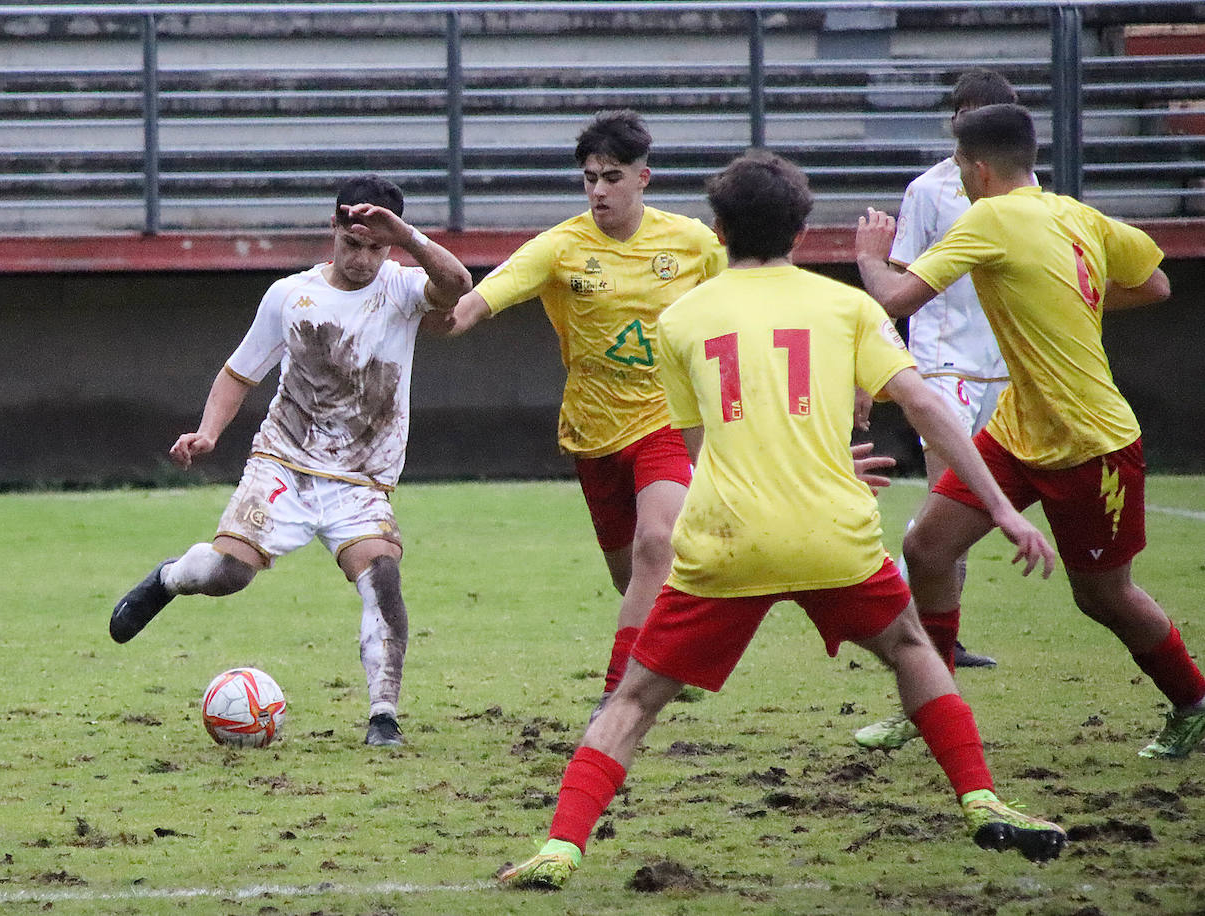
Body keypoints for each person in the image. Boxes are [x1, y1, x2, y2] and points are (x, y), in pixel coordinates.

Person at [498, 151, 1066, 891]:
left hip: (727, 541)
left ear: (720, 228)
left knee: (634, 700)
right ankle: (982, 797)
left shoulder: (681, 318)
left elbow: (703, 447)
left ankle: (561, 848)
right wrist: (998, 507)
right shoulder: (848, 307)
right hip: (832, 531)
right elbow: (925, 406)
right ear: (802, 231)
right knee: (910, 647)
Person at [436, 109, 892, 715]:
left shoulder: (693, 242)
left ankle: (616, 694)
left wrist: (861, 370)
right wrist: (446, 312)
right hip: (592, 432)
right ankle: (666, 661)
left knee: (659, 544)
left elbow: (783, 294)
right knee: (636, 580)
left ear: (643, 178)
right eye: (590, 178)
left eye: (613, 177)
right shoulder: (560, 247)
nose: (599, 189)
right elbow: (486, 296)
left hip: (669, 421)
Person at [854, 103, 1205, 760]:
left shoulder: (988, 217)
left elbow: (894, 301)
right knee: (929, 549)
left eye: (960, 165)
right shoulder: (1079, 214)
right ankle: (931, 704)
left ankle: (1192, 701)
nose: (957, 176)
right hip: (1018, 431)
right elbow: (1155, 284)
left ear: (980, 169)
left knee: (1104, 597)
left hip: (1090, 442)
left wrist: (871, 257)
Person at [108, 174, 473, 747]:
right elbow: (240, 371)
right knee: (229, 576)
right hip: (284, 463)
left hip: (361, 478)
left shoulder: (403, 288)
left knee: (384, 579)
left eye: (376, 247)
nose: (362, 258)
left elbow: (457, 282)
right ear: (332, 230)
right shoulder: (291, 295)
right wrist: (207, 434)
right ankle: (169, 579)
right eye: (353, 243)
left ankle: (383, 716)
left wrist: (403, 235)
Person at [852, 69, 1019, 749]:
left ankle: (943, 640)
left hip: (1009, 371)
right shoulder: (927, 191)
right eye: (966, 114)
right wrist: (876, 372)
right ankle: (928, 657)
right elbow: (895, 286)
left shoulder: (1027, 193)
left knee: (959, 517)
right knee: (945, 508)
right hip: (946, 367)